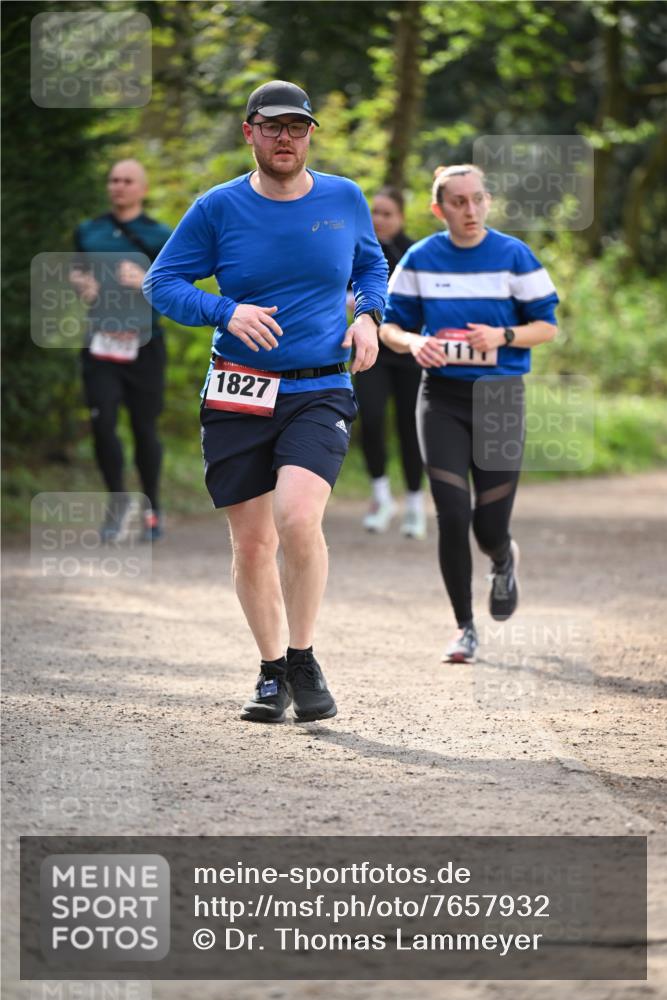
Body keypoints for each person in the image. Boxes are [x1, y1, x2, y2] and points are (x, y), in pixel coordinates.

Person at [143, 81, 387, 722]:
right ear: (249, 131)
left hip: (319, 386)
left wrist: (369, 316)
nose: (285, 138)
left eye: (297, 127)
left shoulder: (344, 197)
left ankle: (303, 658)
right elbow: (161, 282)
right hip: (239, 389)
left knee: (298, 518)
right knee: (252, 544)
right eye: (272, 126)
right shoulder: (217, 207)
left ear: (310, 135)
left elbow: (369, 266)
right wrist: (225, 310)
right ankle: (271, 670)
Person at [380, 164, 559, 663]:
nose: (470, 210)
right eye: (458, 202)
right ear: (439, 210)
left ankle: (502, 558)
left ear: (488, 201)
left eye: (478, 199)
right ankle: (464, 628)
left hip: (500, 398)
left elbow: (547, 327)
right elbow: (389, 327)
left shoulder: (514, 256)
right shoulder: (421, 258)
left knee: (489, 526)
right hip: (442, 397)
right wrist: (414, 342)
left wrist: (502, 336)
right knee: (452, 514)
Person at [70, 159, 172, 542]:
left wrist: (147, 280)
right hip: (100, 342)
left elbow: (176, 288)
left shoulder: (161, 235)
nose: (119, 186)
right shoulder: (88, 231)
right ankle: (117, 503)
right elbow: (77, 270)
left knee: (144, 429)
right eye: (113, 180)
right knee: (102, 424)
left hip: (145, 343)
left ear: (143, 188)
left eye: (128, 181)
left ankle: (152, 507)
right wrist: (80, 282)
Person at [356, 187, 426, 539]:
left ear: (401, 217)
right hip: (372, 352)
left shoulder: (415, 253)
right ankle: (381, 497)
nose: (379, 219)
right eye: (375, 212)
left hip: (410, 352)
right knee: (370, 419)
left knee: (410, 427)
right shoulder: (359, 250)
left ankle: (415, 503)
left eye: (387, 213)